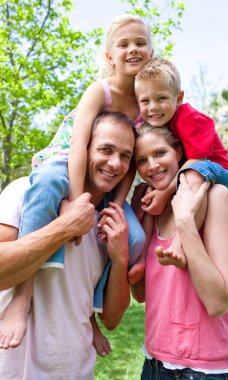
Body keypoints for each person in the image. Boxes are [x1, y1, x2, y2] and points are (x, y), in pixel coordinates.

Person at [0, 14, 154, 354]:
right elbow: (79, 143)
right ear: (110, 56)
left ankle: (91, 316)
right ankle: (22, 297)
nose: (133, 49)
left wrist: (115, 204)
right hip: (63, 160)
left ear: (151, 52)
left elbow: (127, 168)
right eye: (124, 44)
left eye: (141, 43)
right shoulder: (100, 91)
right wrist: (75, 199)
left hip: (101, 181)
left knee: (136, 237)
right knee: (45, 190)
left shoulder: (144, 105)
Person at [0, 112, 134, 379]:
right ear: (83, 149)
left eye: (126, 155)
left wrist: (120, 260)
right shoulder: (25, 192)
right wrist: (64, 227)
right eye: (105, 149)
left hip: (75, 370)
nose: (115, 163)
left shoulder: (110, 224)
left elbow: (111, 319)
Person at [131, 124, 228, 379]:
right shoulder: (152, 209)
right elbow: (141, 294)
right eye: (142, 160)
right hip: (154, 363)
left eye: (160, 153)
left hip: (203, 370)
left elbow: (217, 303)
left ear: (178, 153)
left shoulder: (216, 197)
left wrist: (186, 225)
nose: (152, 166)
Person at [133, 57, 228, 264]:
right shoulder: (162, 125)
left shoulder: (189, 118)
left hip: (226, 178)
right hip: (200, 176)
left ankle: (181, 244)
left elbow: (197, 161)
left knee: (192, 172)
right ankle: (141, 260)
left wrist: (165, 194)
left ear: (179, 98)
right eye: (145, 101)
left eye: (161, 98)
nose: (153, 107)